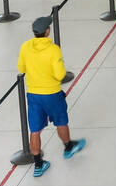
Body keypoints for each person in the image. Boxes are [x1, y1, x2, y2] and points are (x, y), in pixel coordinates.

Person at [17, 16, 86, 177]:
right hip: (52, 94)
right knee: (61, 121)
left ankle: (38, 164)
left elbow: (21, 67)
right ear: (47, 31)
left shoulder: (25, 47)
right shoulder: (53, 49)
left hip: (33, 95)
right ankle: (68, 147)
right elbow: (60, 74)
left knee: (34, 130)